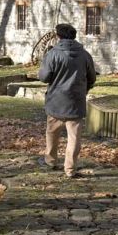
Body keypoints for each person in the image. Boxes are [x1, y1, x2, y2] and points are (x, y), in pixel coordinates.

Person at [38, 23, 96, 178]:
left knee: (52, 132)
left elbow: (44, 77)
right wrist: (84, 90)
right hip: (76, 101)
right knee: (74, 137)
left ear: (59, 36)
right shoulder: (85, 55)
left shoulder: (52, 54)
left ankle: (50, 161)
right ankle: (70, 169)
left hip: (56, 100)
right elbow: (92, 78)